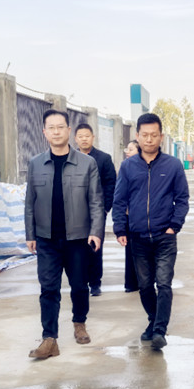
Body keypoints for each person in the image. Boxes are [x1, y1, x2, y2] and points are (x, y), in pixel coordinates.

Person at [24, 110, 104, 360]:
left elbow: (96, 201)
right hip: (46, 238)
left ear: (69, 131)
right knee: (48, 288)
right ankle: (49, 338)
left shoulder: (87, 163)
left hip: (78, 238)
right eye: (51, 127)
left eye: (61, 127)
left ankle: (79, 323)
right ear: (44, 132)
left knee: (79, 286)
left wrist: (96, 232)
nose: (56, 132)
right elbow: (29, 202)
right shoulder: (36, 163)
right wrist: (30, 234)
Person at [113, 113, 190, 351]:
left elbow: (182, 199)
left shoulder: (173, 165)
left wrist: (174, 226)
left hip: (164, 236)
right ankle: (153, 320)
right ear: (137, 136)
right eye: (144, 135)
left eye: (153, 135)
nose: (149, 139)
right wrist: (120, 228)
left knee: (163, 283)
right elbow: (119, 200)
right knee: (145, 286)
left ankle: (159, 331)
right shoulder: (128, 166)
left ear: (161, 137)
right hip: (138, 237)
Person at [74, 123, 117, 297]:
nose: (84, 139)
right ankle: (80, 281)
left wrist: (105, 208)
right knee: (77, 248)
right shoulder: (71, 158)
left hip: (96, 211)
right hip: (75, 212)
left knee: (95, 247)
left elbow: (111, 184)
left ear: (93, 137)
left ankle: (95, 283)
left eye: (87, 136)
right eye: (80, 136)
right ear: (75, 139)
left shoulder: (104, 159)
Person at [122, 140, 140, 293]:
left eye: (131, 149)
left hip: (146, 217)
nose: (127, 152)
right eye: (127, 149)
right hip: (130, 216)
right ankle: (131, 283)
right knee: (130, 251)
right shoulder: (125, 167)